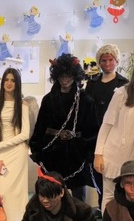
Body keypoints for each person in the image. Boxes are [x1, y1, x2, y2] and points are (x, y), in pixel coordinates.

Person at [93, 52, 134, 212]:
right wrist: (98, 154)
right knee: (109, 196)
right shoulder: (121, 93)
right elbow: (106, 124)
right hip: (113, 155)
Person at [30, 53, 98, 201]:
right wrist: (36, 149)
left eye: (69, 75)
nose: (65, 79)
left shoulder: (85, 100)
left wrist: (88, 152)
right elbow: (41, 126)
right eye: (62, 76)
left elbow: (92, 129)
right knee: (50, 192)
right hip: (52, 153)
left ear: (75, 76)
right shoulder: (48, 100)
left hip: (76, 153)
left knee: (79, 195)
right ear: (56, 76)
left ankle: (79, 216)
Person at [0, 67, 30, 221]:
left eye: (13, 80)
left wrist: (0, 145)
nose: (9, 83)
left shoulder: (23, 105)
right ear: (2, 82)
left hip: (18, 153)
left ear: (17, 84)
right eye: (6, 80)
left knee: (18, 192)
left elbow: (25, 134)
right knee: (3, 192)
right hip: (1, 155)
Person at [85, 44, 129, 206]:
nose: (107, 63)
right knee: (98, 174)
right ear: (99, 62)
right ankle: (101, 206)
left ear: (116, 61)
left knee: (114, 175)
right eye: (104, 60)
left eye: (111, 60)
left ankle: (118, 209)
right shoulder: (92, 84)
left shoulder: (124, 84)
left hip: (114, 135)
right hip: (94, 135)